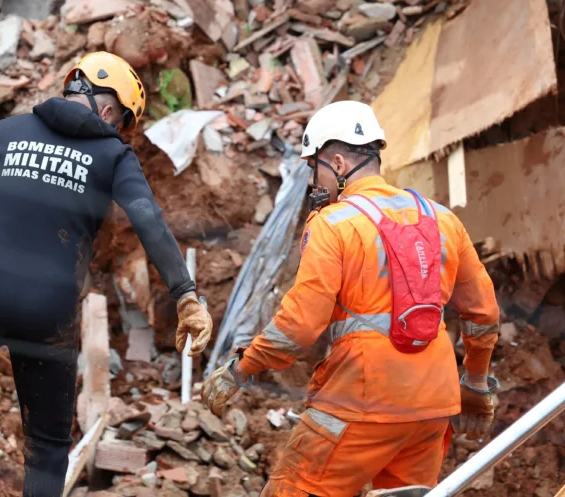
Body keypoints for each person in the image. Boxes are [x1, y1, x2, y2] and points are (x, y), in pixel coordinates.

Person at [0, 52, 215, 497]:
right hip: (48, 316)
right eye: (122, 121)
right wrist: (184, 293)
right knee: (47, 445)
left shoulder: (6, 131)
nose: (118, 130)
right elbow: (148, 220)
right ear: (109, 110)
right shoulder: (112, 155)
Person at [200, 101, 501, 497]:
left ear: (339, 163)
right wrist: (476, 383)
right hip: (433, 406)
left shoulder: (334, 224)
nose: (313, 182)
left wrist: (241, 369)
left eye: (315, 167)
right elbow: (483, 314)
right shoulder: (443, 219)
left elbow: (299, 325)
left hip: (361, 399)